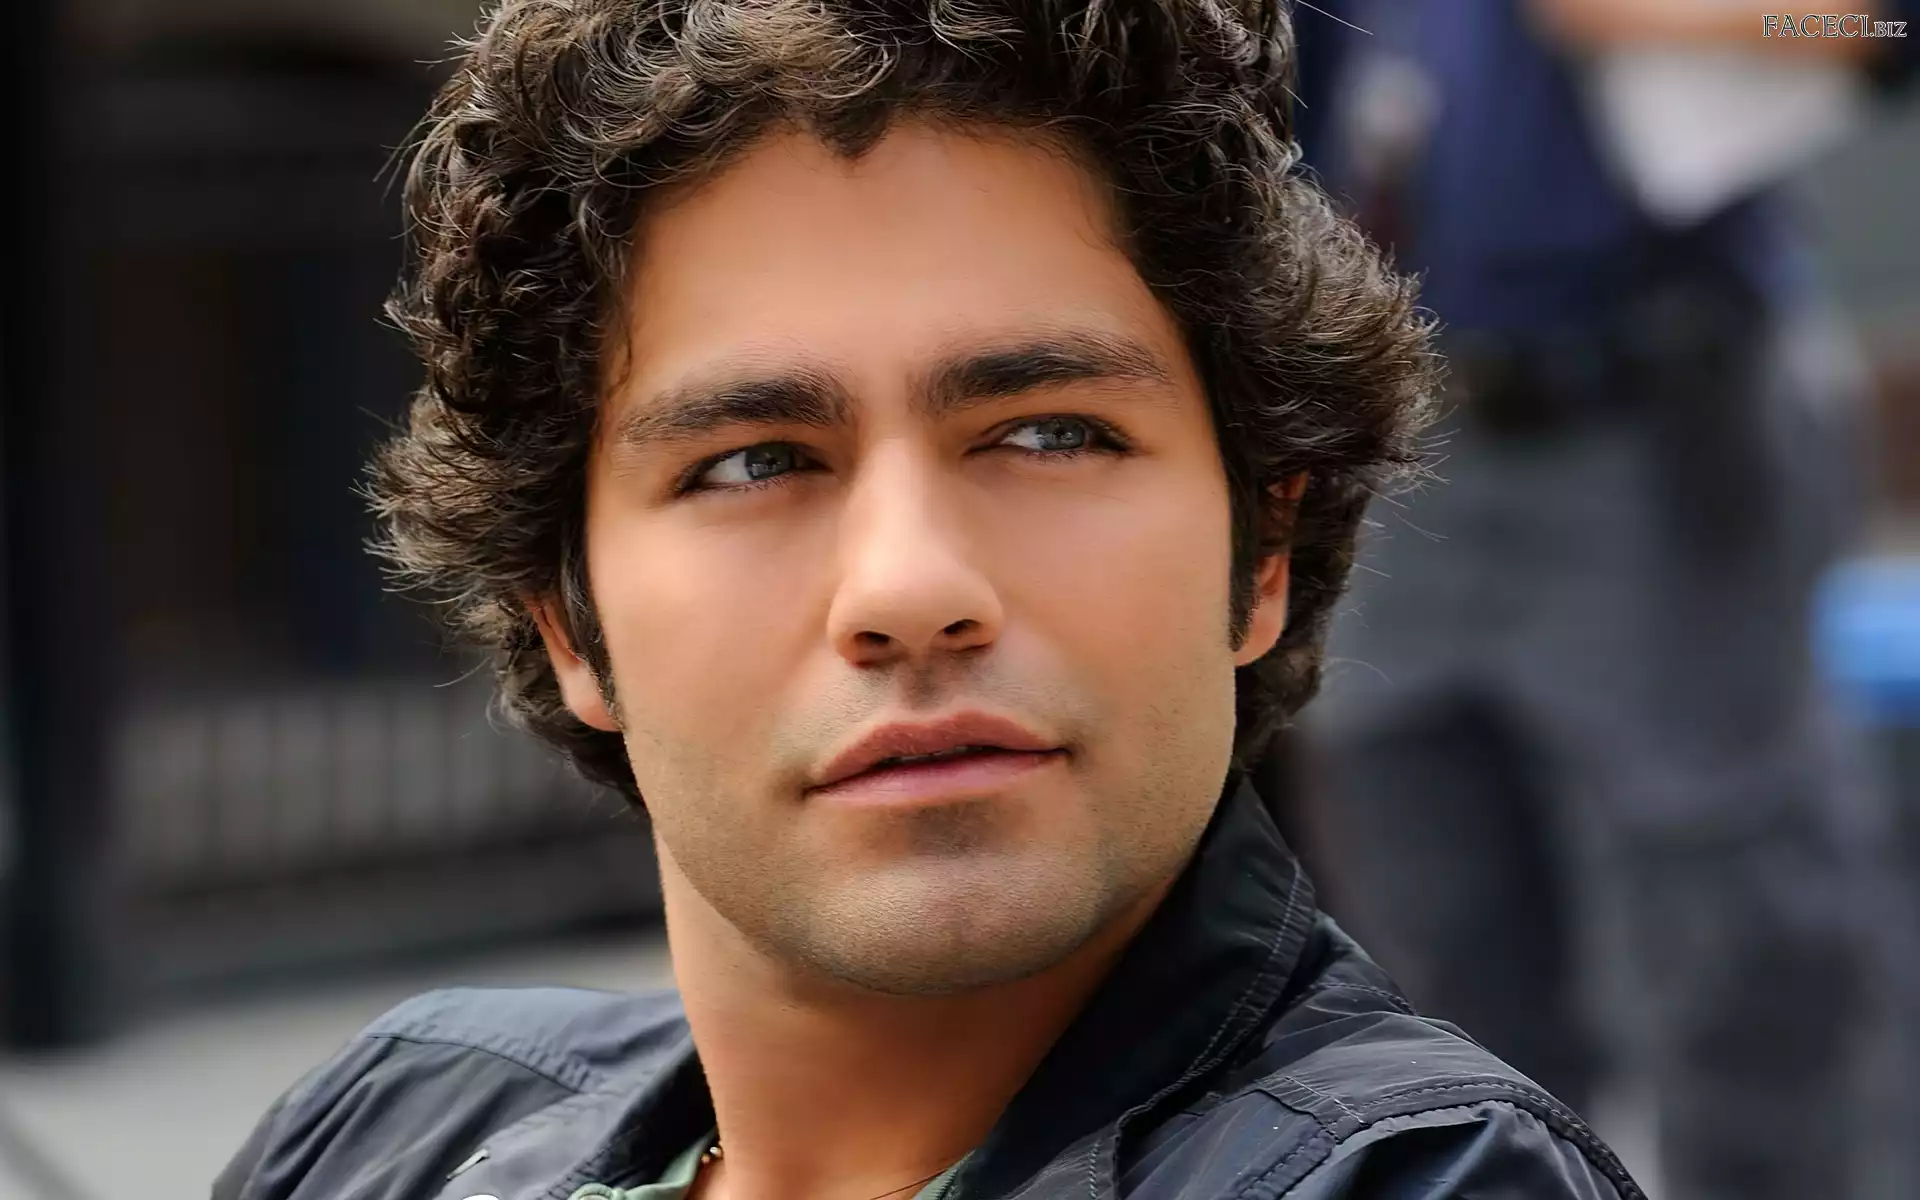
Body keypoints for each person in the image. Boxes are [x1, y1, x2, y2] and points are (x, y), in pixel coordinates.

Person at [211, 2, 1645, 1197]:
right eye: (755, 462)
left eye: (1050, 435)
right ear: (565, 621)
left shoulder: (1415, 1176)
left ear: (1260, 552)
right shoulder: (398, 1129)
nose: (909, 587)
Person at [1287, 3, 1919, 1198]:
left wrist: (1698, 12)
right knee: (1431, 947)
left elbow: (1874, 21)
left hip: (1654, 422)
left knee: (1741, 955)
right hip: (1396, 440)